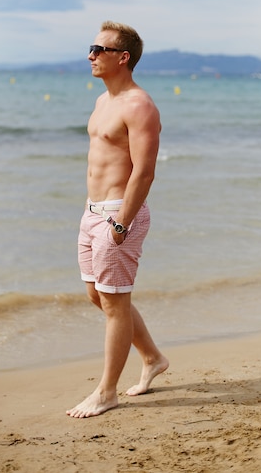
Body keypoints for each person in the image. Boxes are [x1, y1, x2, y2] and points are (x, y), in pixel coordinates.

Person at [66, 21, 169, 418]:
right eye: (90, 48)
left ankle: (106, 391)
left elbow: (143, 172)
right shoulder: (101, 102)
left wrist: (122, 223)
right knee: (100, 296)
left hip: (117, 216)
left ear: (122, 57)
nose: (90, 55)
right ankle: (153, 358)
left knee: (114, 302)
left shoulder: (139, 105)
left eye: (99, 48)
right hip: (92, 213)